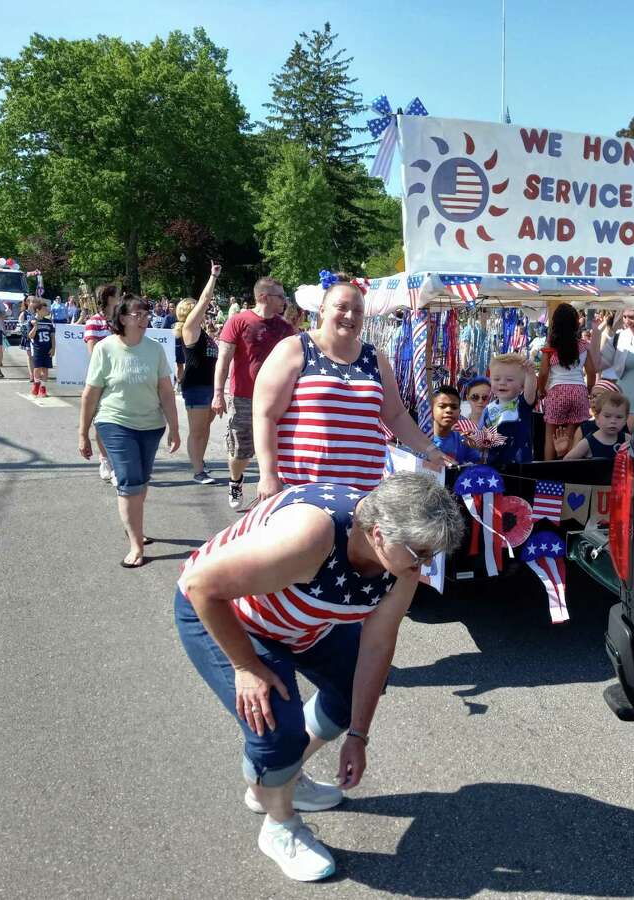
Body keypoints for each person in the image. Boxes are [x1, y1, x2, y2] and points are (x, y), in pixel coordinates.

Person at [175, 473, 463, 881]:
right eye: (420, 553)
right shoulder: (309, 536)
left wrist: (359, 735)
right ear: (379, 534)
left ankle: (287, 777)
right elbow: (200, 585)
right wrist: (245, 667)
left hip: (304, 621)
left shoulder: (402, 564)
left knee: (356, 692)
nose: (426, 564)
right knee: (275, 730)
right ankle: (279, 825)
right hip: (229, 615)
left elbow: (378, 645)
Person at [253, 278, 448, 500]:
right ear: (323, 310)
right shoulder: (294, 349)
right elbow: (265, 415)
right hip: (302, 490)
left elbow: (396, 415)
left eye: (358, 311)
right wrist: (267, 474)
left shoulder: (375, 358)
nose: (350, 316)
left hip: (363, 492)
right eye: (342, 307)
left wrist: (430, 450)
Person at [78, 296, 181, 568]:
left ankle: (132, 524)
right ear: (122, 318)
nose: (144, 318)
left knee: (141, 482)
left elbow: (166, 391)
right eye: (138, 314)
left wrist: (174, 427)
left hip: (150, 425)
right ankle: (136, 546)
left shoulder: (154, 349)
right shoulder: (105, 349)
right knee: (129, 481)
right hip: (115, 422)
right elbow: (90, 394)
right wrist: (83, 432)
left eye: (146, 313)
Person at [213, 278, 294, 509]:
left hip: (278, 397)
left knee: (277, 444)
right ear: (263, 297)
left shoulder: (285, 327)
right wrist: (218, 392)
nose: (284, 300)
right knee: (241, 448)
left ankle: (271, 488)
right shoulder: (239, 321)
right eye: (280, 296)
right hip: (244, 396)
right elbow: (223, 359)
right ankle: (235, 481)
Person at [178, 262, 222, 484]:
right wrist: (213, 277)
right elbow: (205, 300)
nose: (203, 311)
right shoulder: (190, 329)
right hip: (196, 386)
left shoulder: (203, 332)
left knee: (204, 429)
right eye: (198, 309)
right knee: (197, 431)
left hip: (209, 386)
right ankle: (197, 471)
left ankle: (200, 462)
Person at [537, 303, 597, 460]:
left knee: (551, 435)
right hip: (579, 391)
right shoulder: (583, 346)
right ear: (576, 323)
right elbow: (591, 373)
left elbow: (543, 372)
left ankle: (548, 474)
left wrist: (541, 389)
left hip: (557, 392)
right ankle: (568, 472)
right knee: (573, 436)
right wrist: (589, 391)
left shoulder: (550, 346)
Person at [85, 284, 123, 485]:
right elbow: (94, 354)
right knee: (102, 422)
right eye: (118, 295)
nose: (121, 297)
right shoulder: (94, 322)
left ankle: (118, 462)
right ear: (109, 298)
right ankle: (105, 459)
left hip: (121, 380)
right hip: (102, 379)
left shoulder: (121, 320)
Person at [476, 352, 538, 465]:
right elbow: (480, 439)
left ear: (522, 385)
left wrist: (530, 374)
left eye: (509, 380)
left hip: (520, 465)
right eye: (496, 379)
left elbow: (530, 391)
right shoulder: (489, 409)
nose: (502, 383)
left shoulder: (522, 404)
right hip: (495, 466)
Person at [563, 391, 629, 460]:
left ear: (625, 419)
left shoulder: (627, 440)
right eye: (607, 416)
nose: (613, 421)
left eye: (619, 417)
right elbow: (567, 460)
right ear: (597, 418)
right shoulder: (588, 442)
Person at [429, 385, 480, 463]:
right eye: (442, 406)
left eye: (454, 407)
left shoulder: (463, 440)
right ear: (431, 411)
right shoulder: (421, 438)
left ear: (459, 412)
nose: (449, 410)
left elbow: (479, 462)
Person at [28, 301, 55, 396]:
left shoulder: (48, 322)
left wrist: (53, 348)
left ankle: (43, 387)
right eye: (44, 309)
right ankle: (36, 384)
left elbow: (52, 336)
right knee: (37, 368)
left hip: (47, 348)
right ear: (38, 310)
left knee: (45, 369)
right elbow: (30, 336)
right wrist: (35, 326)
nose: (47, 310)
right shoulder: (32, 321)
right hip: (38, 348)